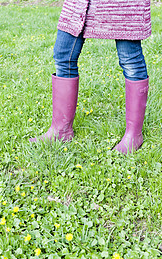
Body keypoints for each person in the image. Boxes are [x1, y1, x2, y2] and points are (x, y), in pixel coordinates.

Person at [29, 0, 151, 154]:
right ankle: (61, 131)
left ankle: (134, 135)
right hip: (79, 4)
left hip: (123, 5)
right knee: (63, 54)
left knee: (130, 60)